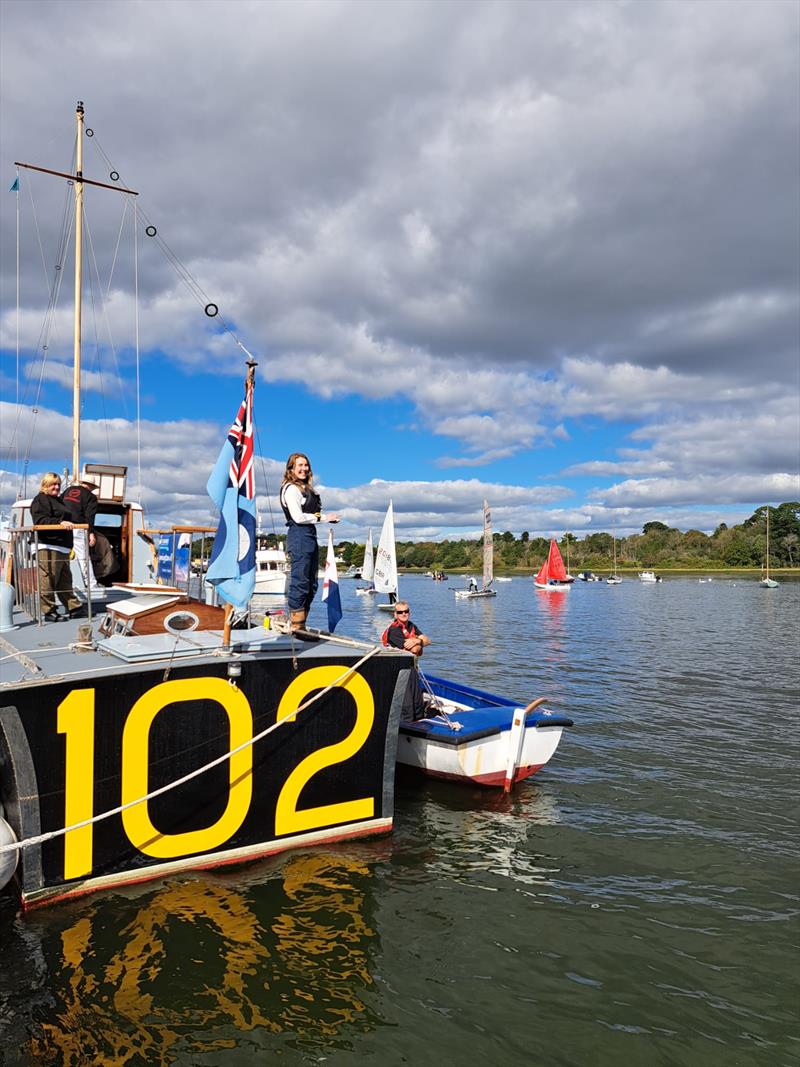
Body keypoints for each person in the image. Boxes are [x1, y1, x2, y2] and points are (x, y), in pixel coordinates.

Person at [279, 452, 338, 634]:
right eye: (300, 465)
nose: (304, 469)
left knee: (312, 584)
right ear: (291, 469)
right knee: (300, 582)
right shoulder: (291, 489)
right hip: (299, 535)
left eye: (306, 465)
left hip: (310, 536)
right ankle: (296, 626)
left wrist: (322, 518)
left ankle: (302, 624)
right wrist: (324, 517)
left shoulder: (306, 489)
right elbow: (297, 517)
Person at [30, 472, 83, 621]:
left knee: (65, 580)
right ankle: (48, 611)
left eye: (58, 484)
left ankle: (74, 607)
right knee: (48, 578)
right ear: (45, 485)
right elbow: (40, 520)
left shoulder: (58, 501)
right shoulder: (40, 500)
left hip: (62, 547)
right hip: (47, 545)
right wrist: (59, 523)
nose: (56, 486)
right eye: (53, 484)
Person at [381, 600, 431, 720]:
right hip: (399, 671)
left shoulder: (411, 626)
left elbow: (428, 640)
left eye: (406, 611)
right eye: (400, 612)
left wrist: (416, 641)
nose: (404, 614)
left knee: (417, 703)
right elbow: (414, 650)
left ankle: (419, 723)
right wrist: (419, 642)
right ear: (395, 614)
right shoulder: (394, 630)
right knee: (406, 706)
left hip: (412, 669)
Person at [61, 476, 98, 593]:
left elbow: (59, 505)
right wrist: (91, 533)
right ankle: (91, 586)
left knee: (63, 556)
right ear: (91, 486)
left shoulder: (67, 491)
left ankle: (62, 584)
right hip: (78, 527)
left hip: (62, 527)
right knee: (83, 557)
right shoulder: (91, 497)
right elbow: (89, 516)